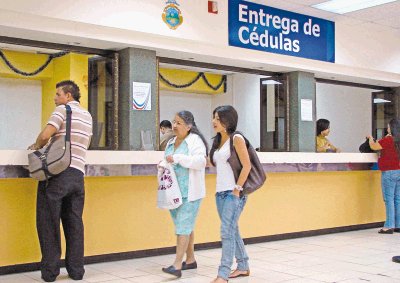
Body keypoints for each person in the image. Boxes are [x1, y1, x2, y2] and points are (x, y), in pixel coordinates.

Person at [28, 80, 93, 282]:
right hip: (77, 176)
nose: (55, 98)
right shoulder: (88, 115)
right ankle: (76, 271)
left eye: (58, 94)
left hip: (57, 174)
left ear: (68, 96)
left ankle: (50, 272)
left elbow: (46, 135)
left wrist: (36, 144)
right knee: (74, 223)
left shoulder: (62, 110)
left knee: (48, 223)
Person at [161, 110, 208, 278]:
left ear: (189, 126)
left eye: (178, 123)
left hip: (191, 193)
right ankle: (190, 260)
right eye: (174, 122)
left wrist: (179, 158)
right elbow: (167, 159)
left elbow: (201, 161)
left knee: (183, 227)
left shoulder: (195, 141)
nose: (174, 125)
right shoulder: (171, 142)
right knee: (185, 226)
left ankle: (177, 265)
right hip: (174, 193)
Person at [209, 105, 251, 283]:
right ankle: (243, 266)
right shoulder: (218, 141)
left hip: (234, 193)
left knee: (226, 232)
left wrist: (237, 190)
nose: (214, 122)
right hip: (220, 193)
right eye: (214, 118)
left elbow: (247, 166)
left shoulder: (237, 138)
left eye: (218, 119)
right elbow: (214, 164)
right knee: (232, 230)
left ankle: (223, 274)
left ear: (228, 121)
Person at [368, 118, 400, 235]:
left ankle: (389, 226)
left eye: (388, 126)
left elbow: (374, 147)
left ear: (392, 128)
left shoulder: (388, 140)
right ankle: (398, 225)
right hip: (399, 171)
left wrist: (371, 139)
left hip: (389, 172)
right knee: (397, 199)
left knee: (389, 199)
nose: (387, 128)